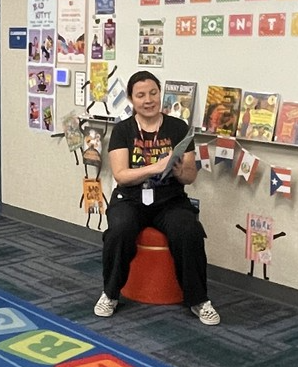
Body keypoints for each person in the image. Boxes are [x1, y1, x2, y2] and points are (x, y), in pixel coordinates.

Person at [93, 71, 220, 325]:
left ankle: (198, 300)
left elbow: (190, 176)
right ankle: (110, 293)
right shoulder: (122, 130)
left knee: (189, 231)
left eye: (153, 93)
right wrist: (154, 167)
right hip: (130, 197)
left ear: (160, 94)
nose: (148, 100)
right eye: (141, 95)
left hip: (169, 198)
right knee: (119, 230)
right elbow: (121, 175)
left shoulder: (178, 127)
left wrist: (177, 170)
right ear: (131, 99)